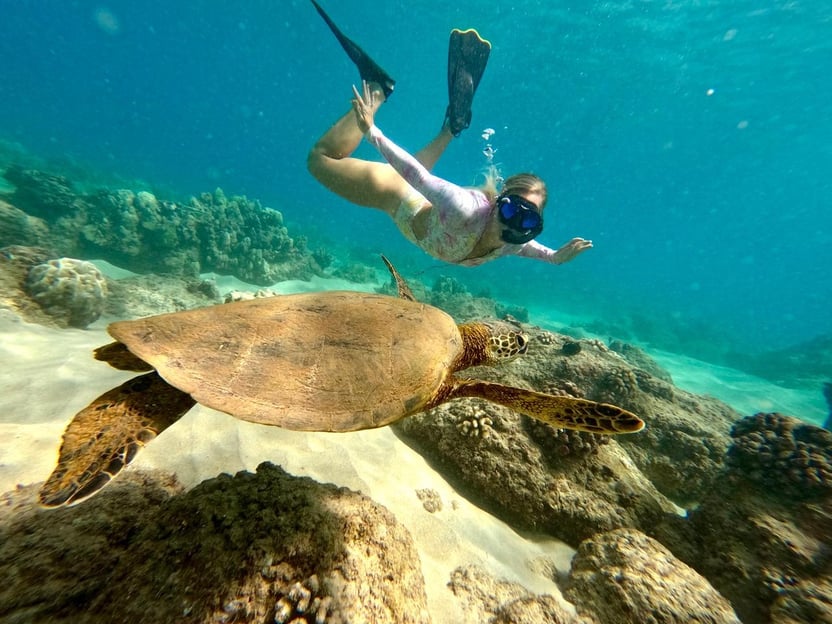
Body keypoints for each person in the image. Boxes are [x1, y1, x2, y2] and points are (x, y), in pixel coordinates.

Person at [307, 0, 592, 267]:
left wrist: (555, 257)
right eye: (511, 212)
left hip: (419, 200)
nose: (513, 225)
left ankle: (451, 128)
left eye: (527, 220)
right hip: (395, 194)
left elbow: (533, 249)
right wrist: (371, 131)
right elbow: (418, 177)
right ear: (498, 203)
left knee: (404, 177)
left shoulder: (513, 242)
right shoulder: (462, 208)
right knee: (319, 160)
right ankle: (377, 87)